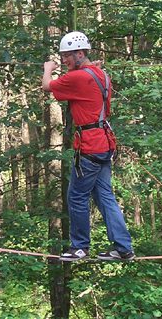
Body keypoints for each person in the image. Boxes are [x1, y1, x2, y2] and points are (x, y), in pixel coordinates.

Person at [41, 31, 135, 262]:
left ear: (80, 53)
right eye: (62, 57)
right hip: (103, 143)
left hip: (90, 146)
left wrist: (47, 69)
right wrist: (84, 66)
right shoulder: (100, 74)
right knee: (105, 196)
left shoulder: (78, 78)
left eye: (67, 56)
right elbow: (82, 78)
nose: (64, 61)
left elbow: (47, 87)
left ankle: (79, 247)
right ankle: (123, 247)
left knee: (76, 196)